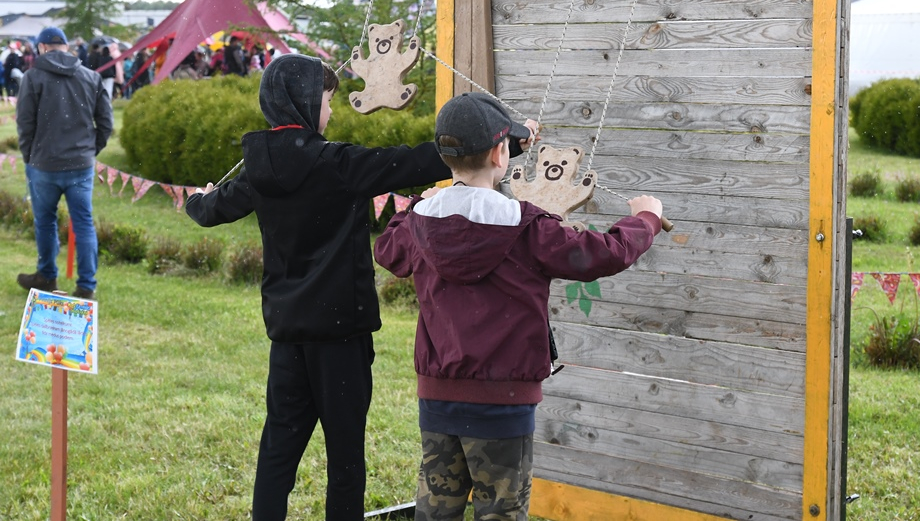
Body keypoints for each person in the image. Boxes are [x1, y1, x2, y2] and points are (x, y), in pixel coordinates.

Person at [189, 55, 513, 520]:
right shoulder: (336, 163)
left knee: (279, 446)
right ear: (304, 102)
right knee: (345, 455)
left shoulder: (257, 170)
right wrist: (506, 141)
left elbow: (208, 210)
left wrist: (198, 200)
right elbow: (419, 160)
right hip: (341, 334)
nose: (332, 111)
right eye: (326, 100)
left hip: (287, 333)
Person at [373, 92, 664, 521]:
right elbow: (606, 253)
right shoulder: (529, 227)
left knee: (436, 512)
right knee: (501, 513)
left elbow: (387, 247)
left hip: (438, 399)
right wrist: (647, 218)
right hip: (504, 404)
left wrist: (424, 200)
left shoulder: (419, 220)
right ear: (499, 153)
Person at [16, 26, 113, 299]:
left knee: (45, 222)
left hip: (43, 165)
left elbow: (24, 124)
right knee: (83, 223)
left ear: (42, 47)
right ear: (66, 47)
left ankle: (47, 275)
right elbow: (106, 123)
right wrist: (90, 151)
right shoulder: (91, 77)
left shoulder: (32, 77)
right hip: (79, 164)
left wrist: (30, 156)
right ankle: (86, 286)